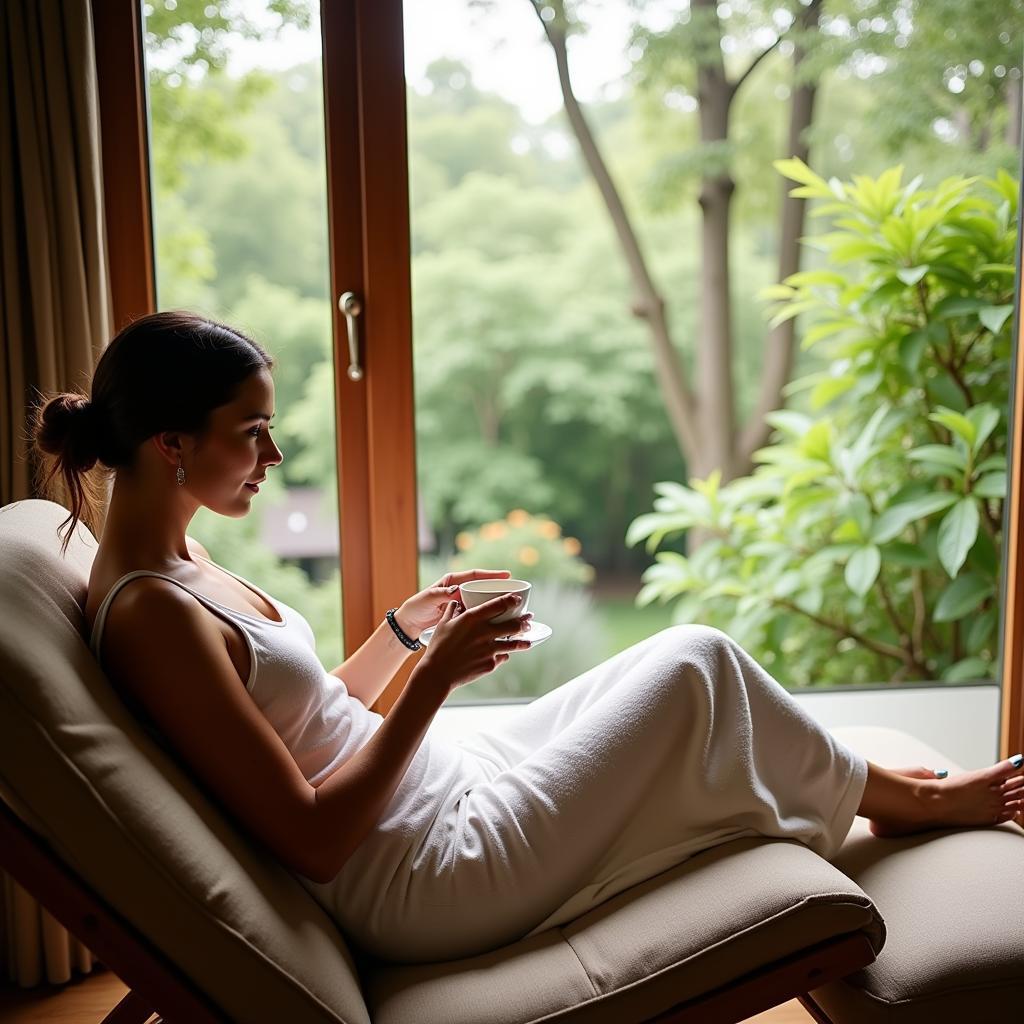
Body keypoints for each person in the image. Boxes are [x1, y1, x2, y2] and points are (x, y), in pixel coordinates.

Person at [31, 310, 1024, 964]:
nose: (274, 455)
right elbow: (314, 835)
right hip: (421, 869)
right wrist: (435, 682)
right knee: (697, 664)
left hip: (427, 793)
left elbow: (299, 714)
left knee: (675, 667)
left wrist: (401, 633)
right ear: (172, 446)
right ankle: (908, 801)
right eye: (251, 431)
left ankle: (886, 796)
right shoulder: (152, 612)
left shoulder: (179, 567)